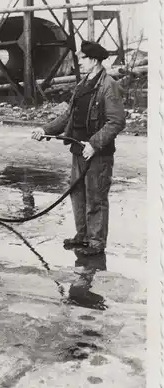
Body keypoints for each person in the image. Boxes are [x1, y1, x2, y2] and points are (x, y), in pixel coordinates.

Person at [32, 40, 126, 256]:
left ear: (93, 60)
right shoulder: (83, 84)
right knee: (78, 194)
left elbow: (116, 121)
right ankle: (82, 236)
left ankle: (95, 243)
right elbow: (68, 116)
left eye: (81, 58)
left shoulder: (108, 85)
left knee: (96, 197)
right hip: (78, 150)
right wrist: (45, 129)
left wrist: (94, 144)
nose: (79, 62)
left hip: (97, 154)